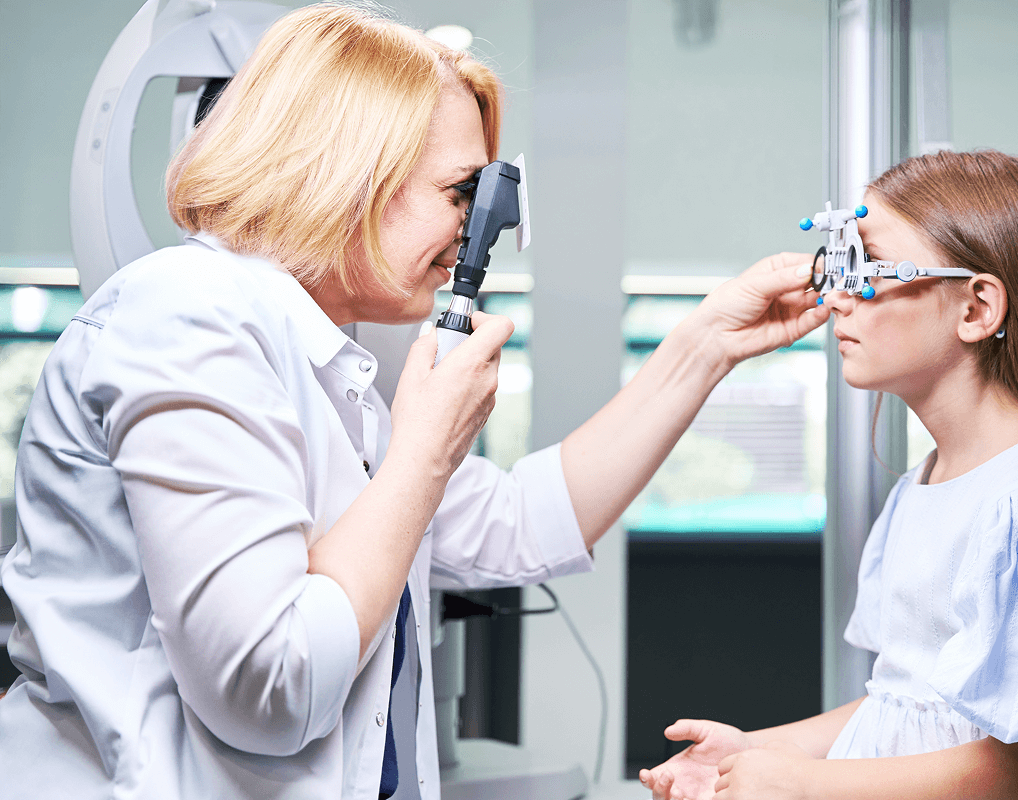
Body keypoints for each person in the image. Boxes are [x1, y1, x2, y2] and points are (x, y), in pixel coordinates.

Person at [0, 4, 829, 799]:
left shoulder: (330, 362)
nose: (480, 233)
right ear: (345, 176)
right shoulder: (186, 317)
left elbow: (520, 523)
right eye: (459, 194)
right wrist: (427, 449)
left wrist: (706, 345)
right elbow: (267, 686)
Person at [639, 150, 1018, 800]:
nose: (838, 297)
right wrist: (755, 751)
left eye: (867, 268)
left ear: (977, 308)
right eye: (840, 264)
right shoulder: (926, 481)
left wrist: (803, 783)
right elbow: (908, 707)